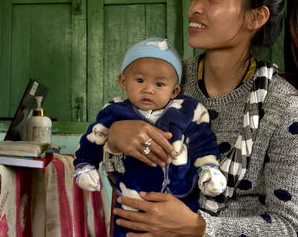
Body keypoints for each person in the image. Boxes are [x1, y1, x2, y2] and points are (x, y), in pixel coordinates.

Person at [102, 0, 298, 237]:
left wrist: (200, 228)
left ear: (256, 17)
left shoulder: (283, 105)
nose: (195, 7)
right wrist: (114, 141)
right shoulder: (167, 80)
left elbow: (291, 228)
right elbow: (120, 178)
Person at [73, 38, 227, 236]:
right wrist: (85, 166)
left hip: (181, 200)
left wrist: (209, 168)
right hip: (131, 202)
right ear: (123, 81)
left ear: (174, 91)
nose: (148, 89)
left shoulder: (187, 111)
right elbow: (91, 141)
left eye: (160, 84)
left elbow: (202, 142)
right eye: (139, 80)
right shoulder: (114, 112)